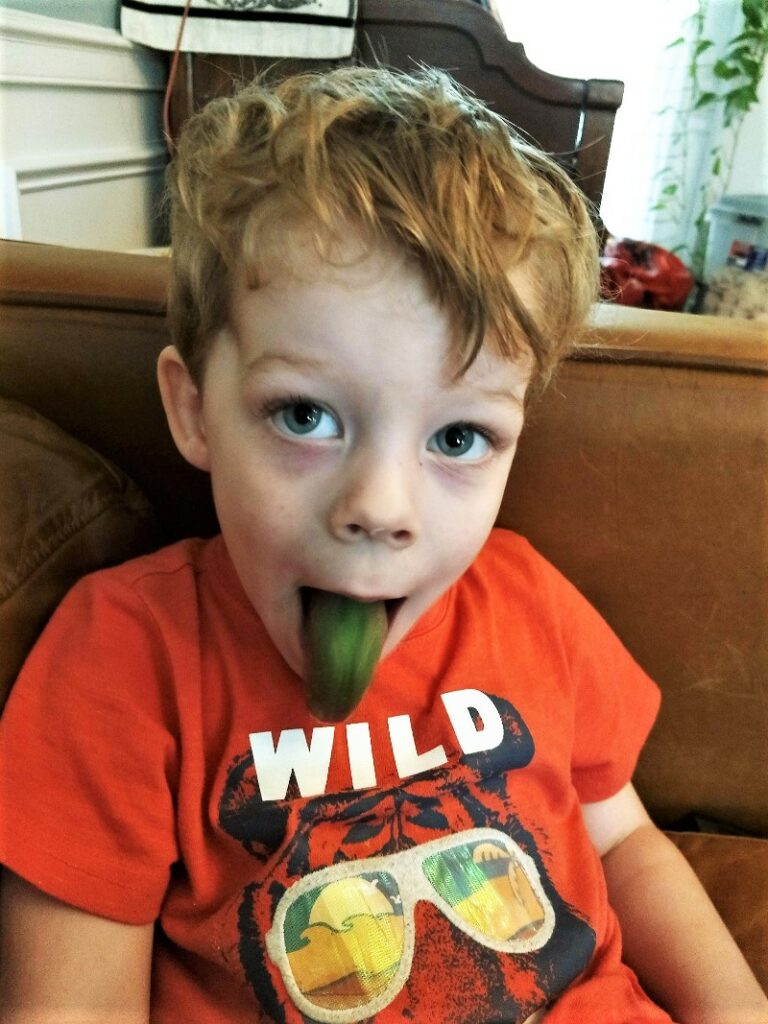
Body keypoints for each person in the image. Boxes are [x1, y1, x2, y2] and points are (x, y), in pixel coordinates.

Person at [0, 67, 765, 1024]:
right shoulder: (123, 660)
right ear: (193, 409)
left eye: (457, 438)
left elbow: (625, 845)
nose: (379, 507)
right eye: (307, 415)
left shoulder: (529, 602)